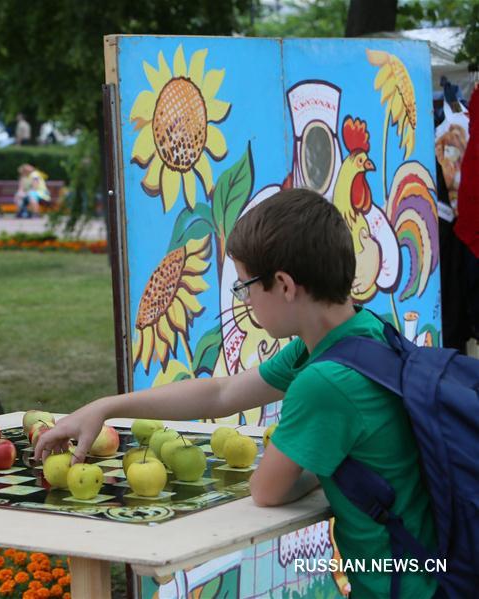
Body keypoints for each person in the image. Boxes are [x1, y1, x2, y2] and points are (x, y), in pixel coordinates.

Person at [35, 188, 438, 599]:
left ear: (283, 284)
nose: (244, 300)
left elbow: (267, 490)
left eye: (245, 287)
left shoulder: (325, 382)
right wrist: (106, 407)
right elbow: (222, 393)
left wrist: (319, 465)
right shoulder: (362, 332)